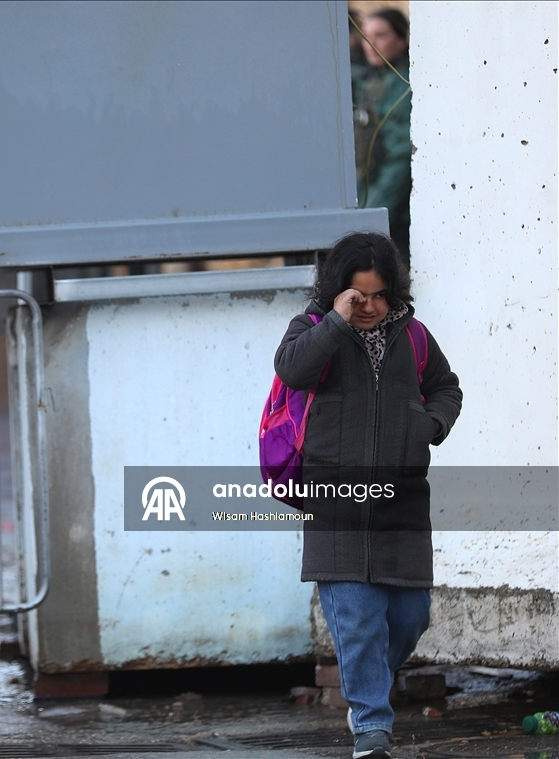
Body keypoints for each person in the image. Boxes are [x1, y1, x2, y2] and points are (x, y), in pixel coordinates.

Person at [273, 232, 462, 759]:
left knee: (410, 615)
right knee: (356, 618)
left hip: (402, 501)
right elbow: (291, 370)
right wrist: (335, 321)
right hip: (337, 498)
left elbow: (447, 387)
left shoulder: (415, 335)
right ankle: (371, 728)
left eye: (379, 295)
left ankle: (368, 681)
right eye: (358, 296)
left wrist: (429, 424)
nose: (370, 306)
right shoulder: (312, 329)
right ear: (338, 291)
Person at [353, 9, 412, 267]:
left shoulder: (404, 85)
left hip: (394, 219)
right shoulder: (369, 82)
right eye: (366, 36)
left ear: (402, 39)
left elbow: (400, 159)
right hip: (369, 207)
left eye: (381, 35)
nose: (371, 44)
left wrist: (370, 215)